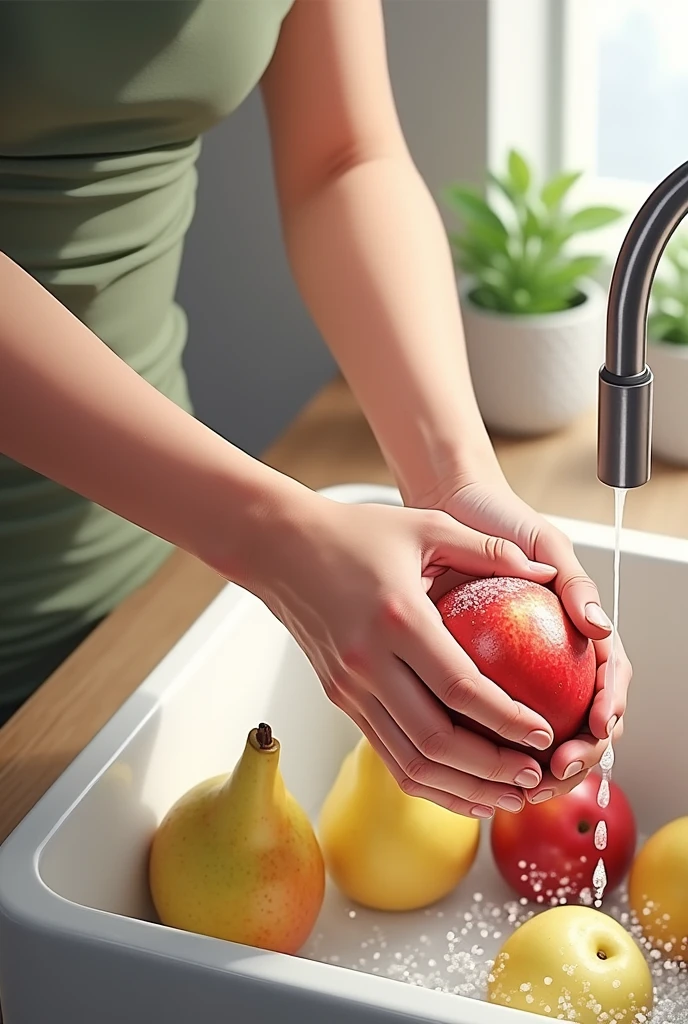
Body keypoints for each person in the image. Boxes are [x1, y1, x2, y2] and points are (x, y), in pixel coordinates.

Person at [0, 0, 630, 817]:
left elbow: (343, 156)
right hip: (195, 521)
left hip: (146, 567)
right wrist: (269, 533)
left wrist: (454, 478)